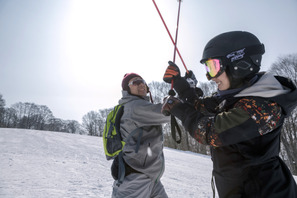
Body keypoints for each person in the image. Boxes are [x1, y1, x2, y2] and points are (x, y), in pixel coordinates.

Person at [161, 31, 297, 198]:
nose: (210, 77)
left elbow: (210, 132)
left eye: (214, 67)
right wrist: (182, 86)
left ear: (239, 65)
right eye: (208, 68)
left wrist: (179, 109)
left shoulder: (263, 106)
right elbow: (201, 107)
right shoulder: (234, 96)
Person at [111, 73, 170, 198]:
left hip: (150, 178)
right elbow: (167, 114)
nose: (141, 84)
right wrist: (186, 91)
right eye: (135, 82)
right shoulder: (134, 107)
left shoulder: (141, 106)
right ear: (127, 89)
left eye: (142, 81)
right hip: (135, 180)